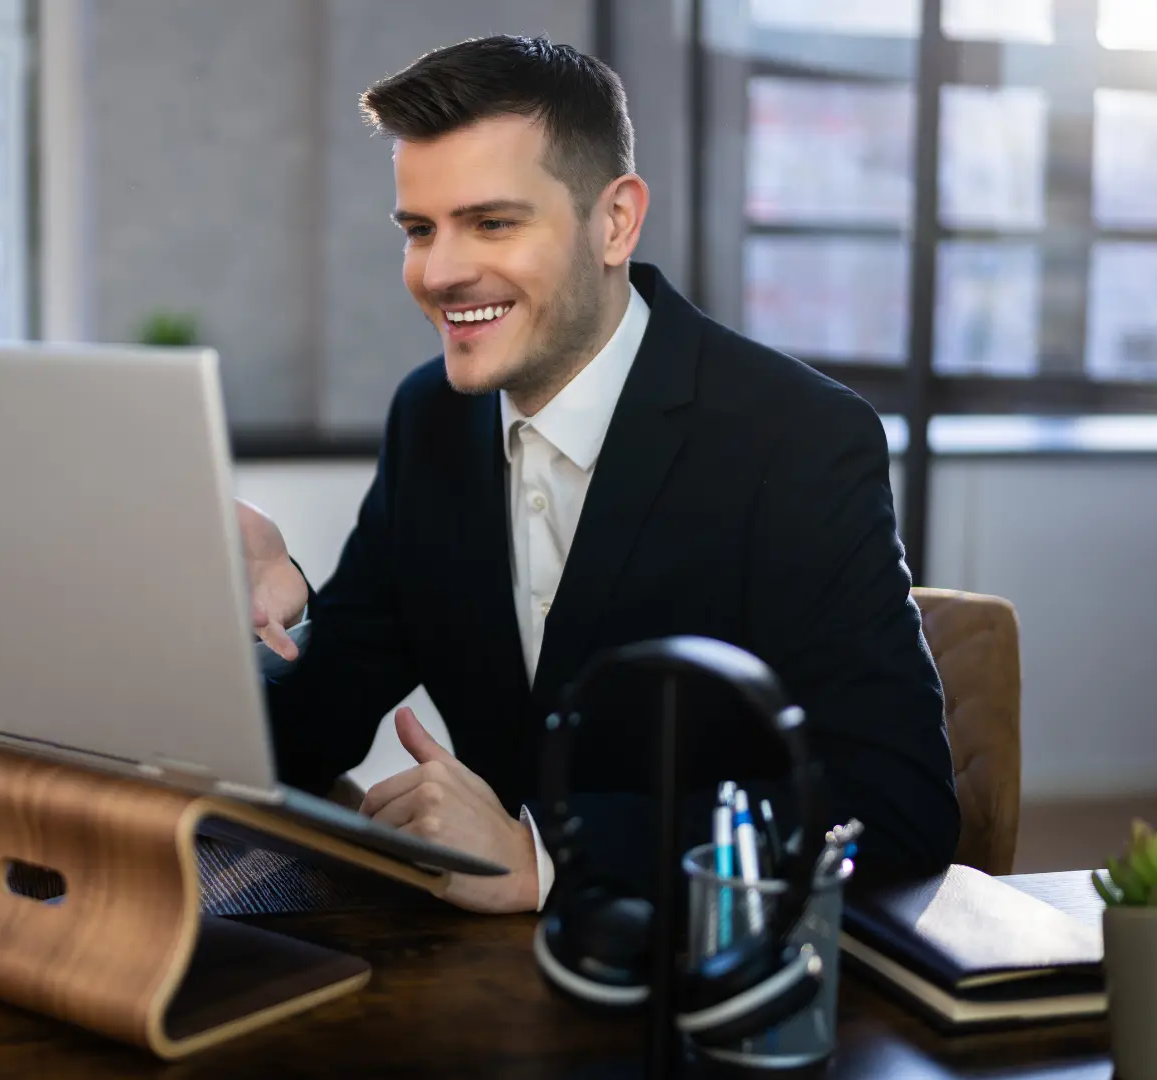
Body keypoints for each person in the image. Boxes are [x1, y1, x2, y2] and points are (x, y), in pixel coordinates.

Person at [239, 36, 958, 915]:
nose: (440, 271)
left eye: (492, 222)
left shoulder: (797, 438)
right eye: (420, 230)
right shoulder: (429, 415)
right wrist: (275, 615)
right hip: (489, 998)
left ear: (614, 221)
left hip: (705, 991)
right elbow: (319, 723)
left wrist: (545, 858)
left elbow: (897, 806)